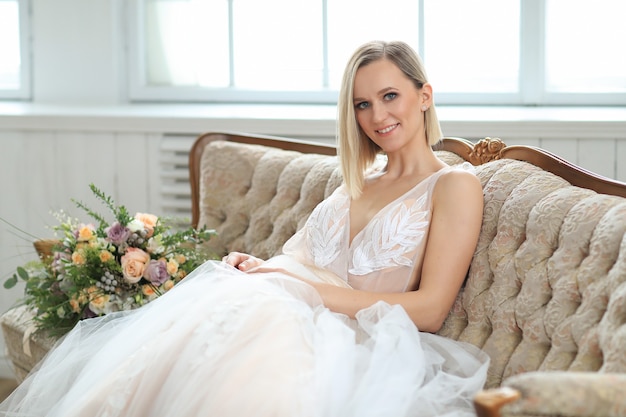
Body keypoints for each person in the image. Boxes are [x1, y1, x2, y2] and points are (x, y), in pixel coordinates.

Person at [0, 40, 488, 417]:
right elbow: (305, 258)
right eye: (362, 104)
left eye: (389, 96)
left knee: (245, 348)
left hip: (346, 332)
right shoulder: (358, 180)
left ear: (424, 95)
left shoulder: (453, 184)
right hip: (279, 301)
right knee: (179, 342)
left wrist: (299, 286)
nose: (377, 116)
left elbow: (429, 309)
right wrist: (264, 268)